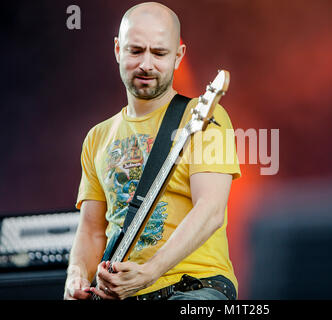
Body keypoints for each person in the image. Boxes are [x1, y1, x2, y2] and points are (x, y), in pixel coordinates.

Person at [63, 2, 240, 300]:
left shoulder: (207, 115)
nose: (146, 64)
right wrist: (76, 273)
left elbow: (210, 210)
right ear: (118, 49)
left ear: (178, 57)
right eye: (135, 51)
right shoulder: (98, 137)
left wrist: (149, 272)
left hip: (193, 285)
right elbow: (92, 230)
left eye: (159, 53)